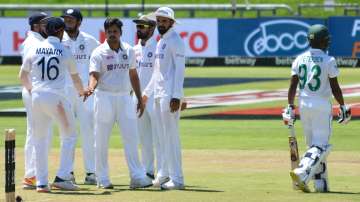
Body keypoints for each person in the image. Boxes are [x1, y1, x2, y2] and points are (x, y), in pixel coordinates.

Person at [19, 17, 86, 193]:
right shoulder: (64, 51)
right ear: (60, 31)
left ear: (47, 30)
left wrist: (33, 91)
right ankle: (63, 177)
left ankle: (41, 182)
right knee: (70, 135)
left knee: (39, 139)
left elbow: (22, 76)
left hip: (37, 97)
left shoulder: (33, 48)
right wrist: (82, 92)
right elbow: (76, 78)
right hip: (57, 99)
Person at [282, 24, 351, 193]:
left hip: (304, 105)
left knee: (314, 146)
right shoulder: (329, 60)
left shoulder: (299, 59)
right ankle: (302, 170)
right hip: (321, 105)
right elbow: (335, 87)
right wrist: (342, 105)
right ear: (325, 41)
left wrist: (290, 105)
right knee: (321, 146)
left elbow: (292, 85)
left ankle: (321, 184)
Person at [86, 18, 152, 189]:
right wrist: (91, 88)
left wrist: (138, 98)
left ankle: (137, 176)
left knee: (131, 137)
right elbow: (94, 75)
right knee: (101, 139)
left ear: (120, 33)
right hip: (104, 97)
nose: (112, 35)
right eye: (109, 32)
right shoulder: (98, 52)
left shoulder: (129, 50)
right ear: (105, 33)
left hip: (125, 97)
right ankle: (103, 178)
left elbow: (133, 75)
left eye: (115, 31)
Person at [142, 7, 185, 190]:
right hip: (159, 95)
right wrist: (146, 93)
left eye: (164, 21)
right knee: (162, 137)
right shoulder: (161, 41)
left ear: (172, 23)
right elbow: (157, 72)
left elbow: (180, 70)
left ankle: (178, 178)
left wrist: (176, 96)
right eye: (159, 21)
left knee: (171, 137)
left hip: (169, 96)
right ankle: (164, 173)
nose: (160, 24)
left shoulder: (176, 41)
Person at [61, 8, 100, 185]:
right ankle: (67, 172)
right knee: (67, 133)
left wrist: (95, 86)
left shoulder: (90, 40)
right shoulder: (58, 41)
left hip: (86, 94)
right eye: (66, 19)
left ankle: (91, 172)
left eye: (71, 19)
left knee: (88, 133)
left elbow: (101, 59)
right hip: (65, 93)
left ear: (79, 22)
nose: (67, 22)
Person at [20, 12, 49, 190]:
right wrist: (34, 91)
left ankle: (32, 173)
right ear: (37, 26)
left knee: (35, 131)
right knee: (36, 132)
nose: (48, 27)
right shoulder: (34, 42)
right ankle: (31, 174)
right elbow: (26, 71)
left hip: (34, 90)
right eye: (45, 24)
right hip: (33, 89)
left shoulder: (35, 40)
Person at [133, 13, 158, 180]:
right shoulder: (133, 50)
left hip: (154, 97)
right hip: (137, 99)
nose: (139, 29)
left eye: (143, 26)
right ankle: (148, 171)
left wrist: (146, 94)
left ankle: (165, 172)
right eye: (138, 26)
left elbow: (158, 75)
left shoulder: (158, 46)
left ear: (152, 28)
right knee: (144, 138)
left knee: (160, 137)